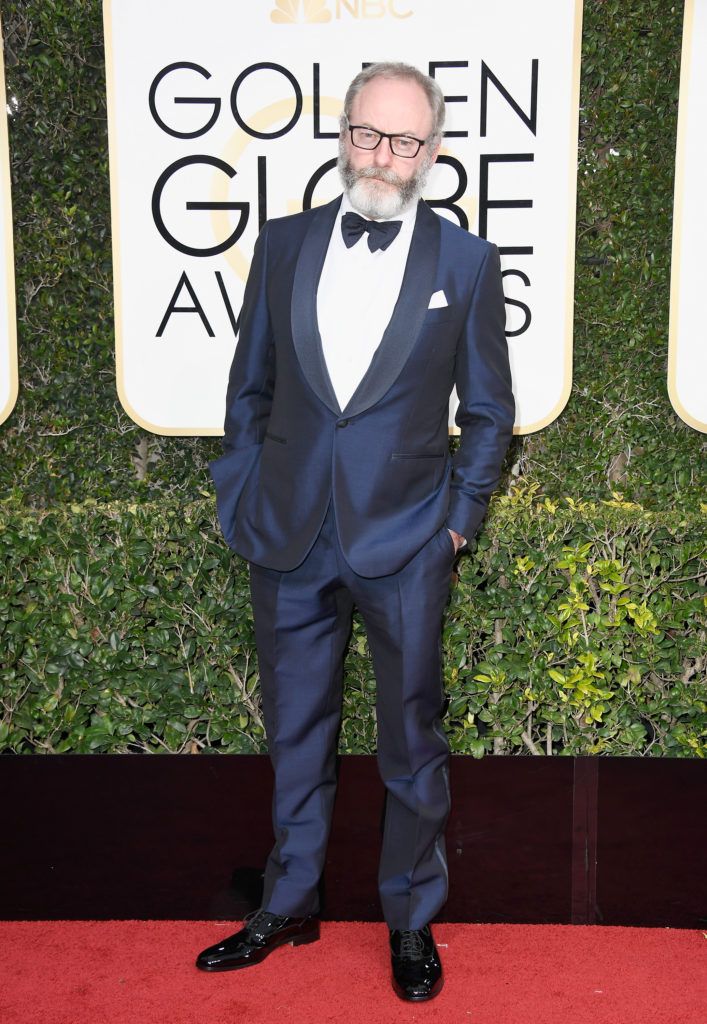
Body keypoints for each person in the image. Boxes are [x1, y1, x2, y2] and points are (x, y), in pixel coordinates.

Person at [196, 61, 515, 1002]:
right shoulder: (286, 243)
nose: (384, 155)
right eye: (369, 135)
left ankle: (410, 919)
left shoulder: (464, 263)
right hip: (288, 536)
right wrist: (241, 492)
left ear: (433, 151)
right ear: (342, 135)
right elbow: (247, 390)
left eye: (405, 140)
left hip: (408, 542)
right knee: (296, 732)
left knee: (410, 743)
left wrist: (457, 525)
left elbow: (490, 412)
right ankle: (289, 901)